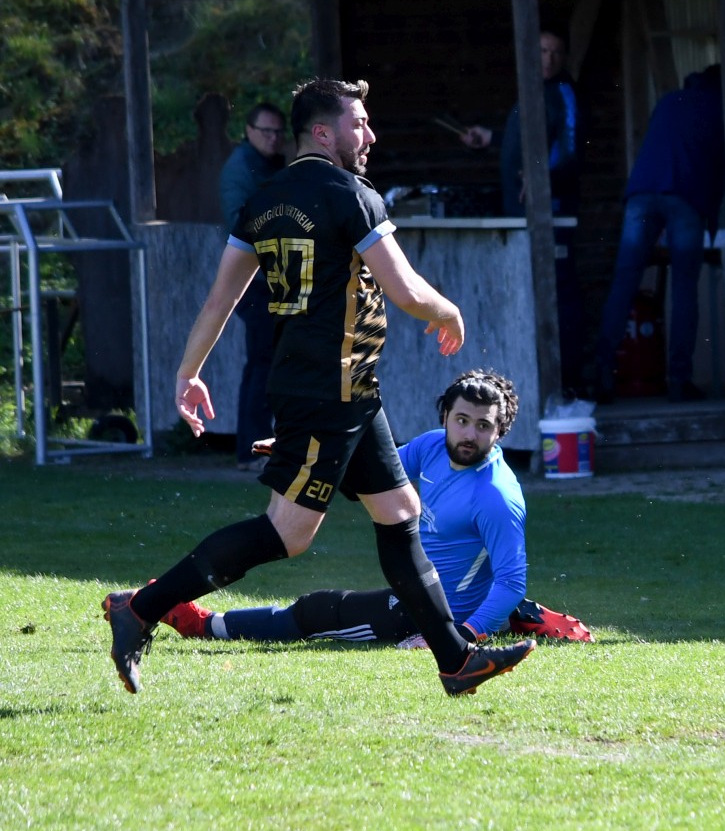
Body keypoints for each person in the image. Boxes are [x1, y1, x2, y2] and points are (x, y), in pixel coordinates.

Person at [101, 77, 535, 698]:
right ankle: (142, 608)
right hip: (330, 391)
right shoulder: (349, 195)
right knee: (286, 532)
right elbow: (406, 290)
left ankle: (456, 660)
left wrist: (187, 372)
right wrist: (449, 312)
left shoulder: (264, 199)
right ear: (324, 132)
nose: (371, 134)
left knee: (401, 513)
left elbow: (220, 300)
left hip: (346, 390)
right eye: (360, 123)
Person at [156, 369, 594, 648]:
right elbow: (368, 477)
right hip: (419, 590)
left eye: (483, 426)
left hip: (433, 613)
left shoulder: (497, 496)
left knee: (316, 613)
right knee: (325, 604)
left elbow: (512, 579)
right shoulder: (432, 447)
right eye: (461, 420)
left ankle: (203, 625)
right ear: (446, 416)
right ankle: (513, 620)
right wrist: (299, 454)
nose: (468, 434)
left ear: (500, 432)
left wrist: (460, 635)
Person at [594, 65, 725, 404]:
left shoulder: (669, 100)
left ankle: (603, 375)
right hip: (685, 200)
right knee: (685, 289)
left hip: (641, 195)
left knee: (624, 283)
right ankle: (679, 380)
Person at [461, 30, 587, 392]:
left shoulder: (563, 91)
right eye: (542, 51)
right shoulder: (531, 92)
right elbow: (526, 142)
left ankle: (568, 380)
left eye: (556, 52)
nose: (548, 59)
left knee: (558, 290)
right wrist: (490, 138)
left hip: (552, 212)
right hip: (521, 213)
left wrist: (541, 175)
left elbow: (569, 145)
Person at [216, 100, 289, 470]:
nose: (274, 138)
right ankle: (251, 451)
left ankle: (259, 449)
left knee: (270, 363)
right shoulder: (241, 169)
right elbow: (242, 228)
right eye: (267, 132)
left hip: (272, 280)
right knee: (262, 364)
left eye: (279, 132)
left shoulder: (273, 164)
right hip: (255, 282)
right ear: (248, 131)